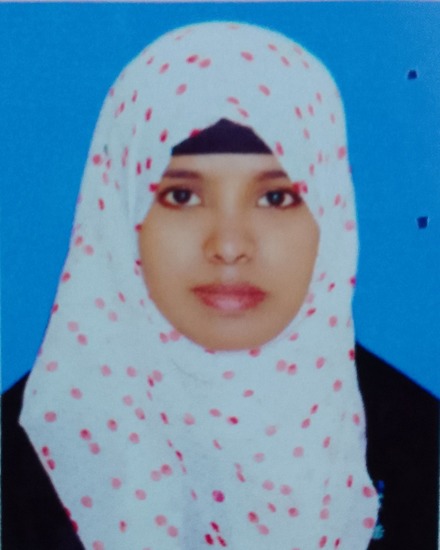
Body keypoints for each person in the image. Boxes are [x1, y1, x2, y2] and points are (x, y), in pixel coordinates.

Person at [2, 21, 437, 550]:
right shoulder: (23, 451)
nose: (229, 245)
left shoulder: (420, 443)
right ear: (119, 214)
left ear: (332, 214)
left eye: (276, 197)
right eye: (181, 196)